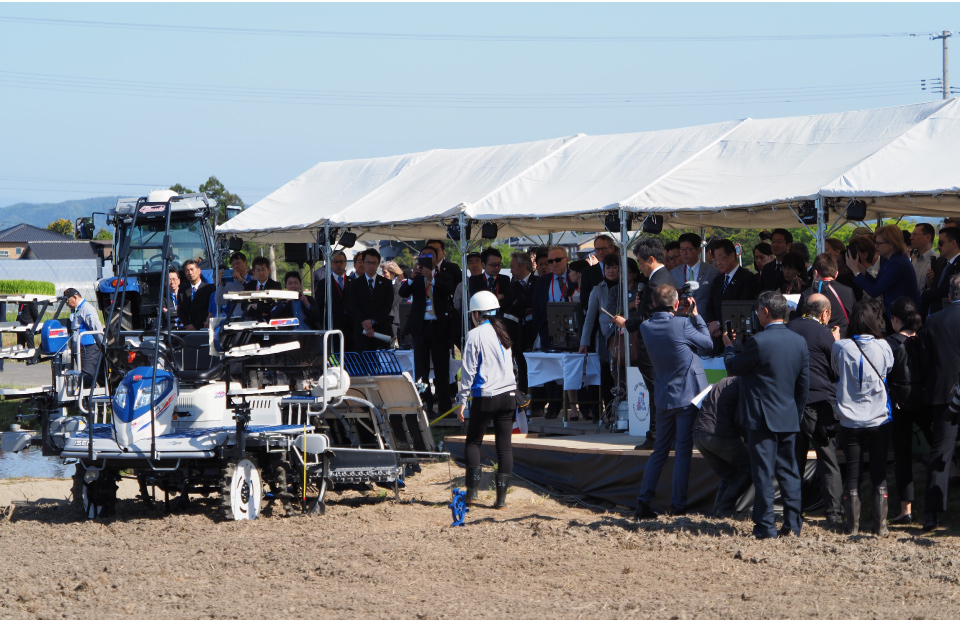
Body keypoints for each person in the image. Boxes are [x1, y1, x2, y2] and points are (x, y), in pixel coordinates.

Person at [723, 291, 809, 539]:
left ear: (765, 312)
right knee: (789, 472)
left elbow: (733, 368)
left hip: (761, 419)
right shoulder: (799, 342)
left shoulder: (758, 342)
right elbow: (803, 386)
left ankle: (766, 525)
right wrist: (796, 414)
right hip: (788, 416)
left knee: (763, 473)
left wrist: (729, 347)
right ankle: (793, 524)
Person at [634, 284, 713, 519]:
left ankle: (643, 501)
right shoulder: (682, 323)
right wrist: (696, 316)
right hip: (687, 396)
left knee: (659, 451)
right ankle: (678, 504)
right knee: (682, 451)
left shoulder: (646, 326)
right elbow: (708, 344)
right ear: (676, 304)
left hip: (663, 395)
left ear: (655, 304)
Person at [832, 298, 895, 536]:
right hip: (879, 417)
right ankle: (880, 526)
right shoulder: (884, 347)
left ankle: (852, 526)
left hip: (850, 420)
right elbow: (888, 370)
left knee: (854, 472)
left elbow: (836, 371)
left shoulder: (841, 347)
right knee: (879, 472)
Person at [786, 294, 843, 529]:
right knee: (828, 460)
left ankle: (793, 514)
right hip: (821, 405)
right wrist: (836, 341)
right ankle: (834, 515)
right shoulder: (824, 333)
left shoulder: (788, 328)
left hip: (792, 405)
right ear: (825, 314)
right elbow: (836, 368)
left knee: (794, 462)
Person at [457, 291, 518, 509]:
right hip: (509, 396)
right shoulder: (503, 332)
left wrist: (462, 399)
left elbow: (468, 370)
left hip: (486, 395)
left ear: (475, 313)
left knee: (473, 441)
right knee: (505, 447)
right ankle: (500, 500)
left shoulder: (475, 335)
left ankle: (472, 494)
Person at [615, 238, 675, 449]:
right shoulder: (662, 278)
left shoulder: (656, 282)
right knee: (658, 391)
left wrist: (627, 323)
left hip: (653, 347)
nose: (639, 266)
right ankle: (661, 434)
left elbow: (651, 317)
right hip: (659, 345)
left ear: (651, 259)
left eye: (640, 262)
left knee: (656, 391)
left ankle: (657, 435)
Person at [918, 274, 960, 532]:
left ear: (949, 295)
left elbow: (925, 362)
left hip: (943, 393)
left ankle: (932, 514)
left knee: (940, 451)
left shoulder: (934, 321)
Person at [885, 297, 929, 525]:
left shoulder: (890, 343)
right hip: (924, 400)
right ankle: (933, 506)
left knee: (903, 457)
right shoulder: (923, 339)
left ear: (895, 319)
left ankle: (906, 509)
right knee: (937, 451)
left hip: (899, 403)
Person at [399, 250, 455, 417]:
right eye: (422, 257)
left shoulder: (443, 276)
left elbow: (448, 289)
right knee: (421, 369)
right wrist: (412, 277)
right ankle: (426, 403)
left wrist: (432, 278)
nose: (425, 261)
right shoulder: (414, 278)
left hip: (439, 326)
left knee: (441, 367)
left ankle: (445, 405)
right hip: (420, 328)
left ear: (437, 259)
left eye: (429, 257)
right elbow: (402, 293)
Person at [692, 376, 750, 518]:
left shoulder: (723, 382)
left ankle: (719, 510)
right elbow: (739, 419)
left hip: (699, 434)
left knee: (729, 474)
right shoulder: (742, 384)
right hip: (717, 434)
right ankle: (724, 508)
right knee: (750, 468)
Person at [532, 245, 575, 419]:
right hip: (549, 330)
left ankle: (582, 407)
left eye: (558, 260)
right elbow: (537, 307)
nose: (554, 264)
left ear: (567, 260)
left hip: (572, 329)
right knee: (551, 369)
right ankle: (554, 406)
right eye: (551, 261)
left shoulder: (574, 277)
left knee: (573, 367)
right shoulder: (543, 281)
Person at [846, 224, 920, 323]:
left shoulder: (898, 263)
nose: (875, 246)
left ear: (891, 244)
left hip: (906, 316)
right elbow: (877, 283)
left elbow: (875, 291)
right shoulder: (888, 259)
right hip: (898, 313)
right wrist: (861, 270)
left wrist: (856, 271)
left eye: (879, 243)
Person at [706, 239, 761, 338]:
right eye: (716, 260)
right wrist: (713, 325)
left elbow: (744, 306)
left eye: (721, 258)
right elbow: (711, 304)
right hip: (717, 336)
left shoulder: (747, 278)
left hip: (738, 333)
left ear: (732, 256)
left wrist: (719, 324)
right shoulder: (718, 280)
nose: (718, 263)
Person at [345, 248, 395, 351]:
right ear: (363, 263)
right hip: (361, 332)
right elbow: (353, 306)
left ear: (378, 264)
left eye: (374, 263)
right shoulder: (354, 284)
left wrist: (373, 321)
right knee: (363, 365)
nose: (371, 266)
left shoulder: (386, 284)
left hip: (381, 331)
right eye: (368, 262)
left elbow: (387, 306)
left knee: (383, 364)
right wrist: (365, 324)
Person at [795, 253, 855, 332]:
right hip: (842, 339)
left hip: (817, 338)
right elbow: (853, 317)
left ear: (815, 273)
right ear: (836, 274)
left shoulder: (807, 294)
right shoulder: (848, 292)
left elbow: (798, 320)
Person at [505, 251, 537, 394]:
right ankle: (524, 396)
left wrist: (523, 302)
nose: (511, 271)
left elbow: (535, 302)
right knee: (522, 366)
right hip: (519, 333)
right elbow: (512, 305)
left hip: (535, 332)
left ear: (523, 266)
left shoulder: (538, 282)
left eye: (513, 267)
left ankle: (537, 399)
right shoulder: (513, 286)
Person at [670, 232, 719, 321]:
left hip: (705, 321)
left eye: (688, 249)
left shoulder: (712, 272)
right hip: (681, 321)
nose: (684, 253)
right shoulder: (674, 273)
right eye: (681, 250)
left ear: (698, 250)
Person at [65, 288, 104, 388]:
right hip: (80, 349)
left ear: (74, 297)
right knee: (85, 376)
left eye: (67, 300)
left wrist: (103, 345)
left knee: (87, 378)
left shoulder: (86, 308)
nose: (66, 304)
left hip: (88, 349)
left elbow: (96, 327)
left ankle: (89, 402)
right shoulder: (76, 310)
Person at [315, 250, 353, 351]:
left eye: (341, 262)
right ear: (331, 264)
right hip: (333, 326)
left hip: (351, 328)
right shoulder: (324, 283)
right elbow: (319, 306)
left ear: (345, 263)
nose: (338, 264)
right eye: (335, 262)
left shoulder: (353, 282)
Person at [921, 227, 960, 316]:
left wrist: (924, 294)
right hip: (934, 315)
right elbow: (935, 287)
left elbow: (944, 291)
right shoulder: (942, 262)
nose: (938, 246)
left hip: (949, 317)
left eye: (941, 243)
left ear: (953, 243)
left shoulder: (957, 264)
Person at [468, 248, 512, 317]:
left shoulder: (504, 279)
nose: (497, 267)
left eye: (499, 264)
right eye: (493, 265)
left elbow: (508, 300)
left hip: (500, 319)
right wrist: (498, 296)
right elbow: (478, 299)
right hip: (482, 319)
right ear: (483, 265)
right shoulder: (475, 280)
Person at [580, 234, 616, 311]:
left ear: (612, 248)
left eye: (603, 249)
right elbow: (584, 299)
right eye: (597, 249)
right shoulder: (588, 272)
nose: (600, 252)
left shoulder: (623, 268)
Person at [179, 259, 216, 331]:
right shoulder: (182, 290)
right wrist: (188, 325)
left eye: (192, 269)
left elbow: (208, 310)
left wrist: (195, 326)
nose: (190, 273)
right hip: (188, 329)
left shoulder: (209, 289)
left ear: (199, 271)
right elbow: (180, 310)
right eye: (187, 270)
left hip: (204, 327)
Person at [910, 223, 938, 292]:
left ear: (928, 237)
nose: (911, 238)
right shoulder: (914, 260)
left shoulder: (937, 260)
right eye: (912, 234)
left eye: (915, 235)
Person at [381, 261, 405, 337]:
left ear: (393, 273)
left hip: (393, 321)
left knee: (390, 343)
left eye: (385, 273)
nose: (382, 275)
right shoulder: (383, 286)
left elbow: (391, 303)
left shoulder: (397, 287)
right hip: (383, 320)